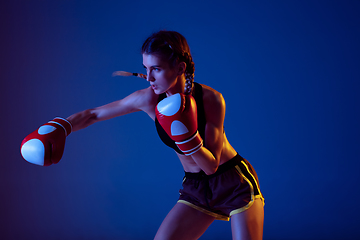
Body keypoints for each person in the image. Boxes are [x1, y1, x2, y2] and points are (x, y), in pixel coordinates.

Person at [21, 30, 264, 240]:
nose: (149, 78)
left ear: (180, 67)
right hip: (196, 188)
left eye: (156, 69)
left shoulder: (210, 99)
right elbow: (94, 114)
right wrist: (62, 126)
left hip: (233, 182)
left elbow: (211, 166)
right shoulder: (148, 98)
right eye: (145, 69)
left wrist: (189, 139)